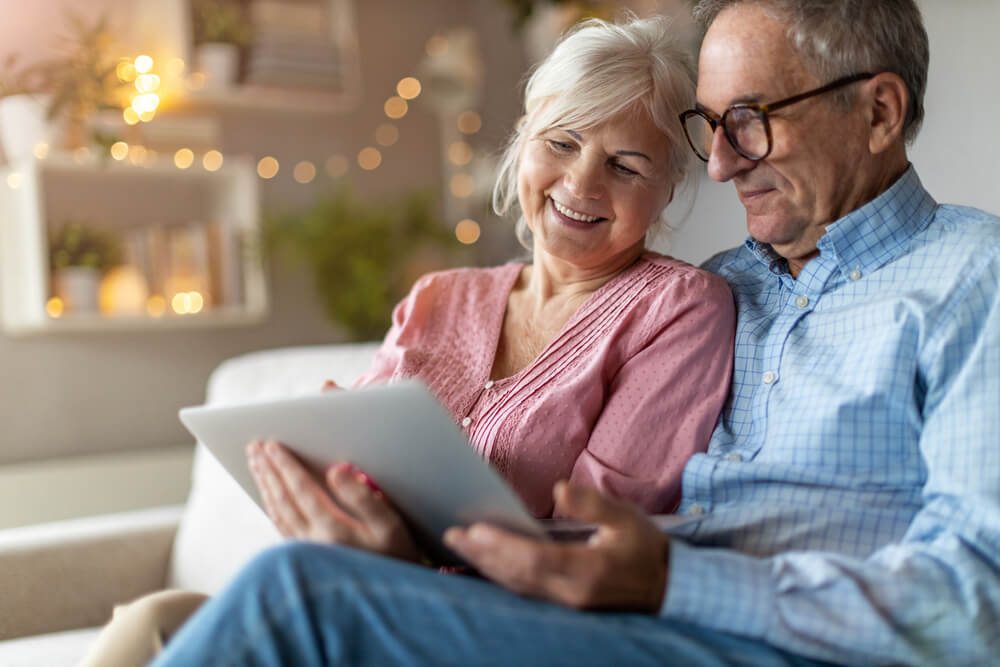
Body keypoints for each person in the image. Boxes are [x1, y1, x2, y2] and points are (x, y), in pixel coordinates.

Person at [146, 0, 1000, 664]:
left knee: (300, 596)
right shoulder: (733, 286)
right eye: (710, 128)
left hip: (777, 644)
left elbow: (978, 602)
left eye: (750, 120)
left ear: (880, 112)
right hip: (638, 625)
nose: (721, 164)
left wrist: (674, 579)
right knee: (190, 616)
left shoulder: (972, 279)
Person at [78, 15, 736, 667]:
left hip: (507, 631)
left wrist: (409, 565)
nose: (581, 184)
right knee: (152, 619)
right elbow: (358, 469)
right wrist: (329, 492)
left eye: (625, 165)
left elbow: (596, 549)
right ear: (523, 141)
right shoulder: (438, 298)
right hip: (363, 592)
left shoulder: (680, 310)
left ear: (667, 188)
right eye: (562, 143)